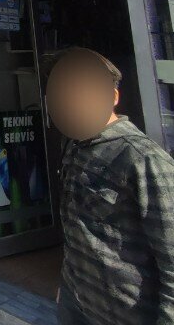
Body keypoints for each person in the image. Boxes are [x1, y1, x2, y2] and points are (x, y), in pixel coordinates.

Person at [46, 47, 174, 325]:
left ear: (112, 97)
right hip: (75, 305)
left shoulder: (143, 159)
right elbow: (78, 229)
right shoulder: (75, 146)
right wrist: (67, 288)